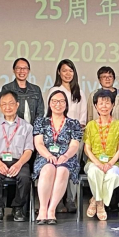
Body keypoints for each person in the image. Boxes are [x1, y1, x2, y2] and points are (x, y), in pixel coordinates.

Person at [32, 90, 84, 225]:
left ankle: (52, 210)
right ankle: (43, 209)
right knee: (48, 169)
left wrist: (65, 156)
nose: (58, 104)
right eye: (54, 101)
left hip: (67, 157)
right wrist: (48, 155)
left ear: (66, 105)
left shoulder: (74, 123)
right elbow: (38, 143)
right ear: (49, 104)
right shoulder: (41, 122)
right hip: (45, 156)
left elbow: (74, 145)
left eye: (61, 101)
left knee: (62, 171)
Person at [0, 90, 34, 222]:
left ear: (17, 105)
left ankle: (18, 208)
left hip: (19, 160)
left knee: (24, 177)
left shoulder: (26, 126)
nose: (8, 107)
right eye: (4, 104)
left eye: (11, 103)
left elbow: (28, 150)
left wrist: (19, 164)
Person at [83, 89, 119, 220]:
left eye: (107, 103)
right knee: (94, 172)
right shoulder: (90, 125)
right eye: (101, 103)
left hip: (113, 163)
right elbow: (87, 149)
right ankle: (100, 204)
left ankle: (95, 199)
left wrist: (110, 163)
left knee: (113, 177)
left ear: (113, 105)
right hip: (93, 162)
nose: (104, 106)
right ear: (95, 106)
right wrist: (98, 163)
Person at [1, 57, 44, 123]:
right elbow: (6, 111)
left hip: (33, 130)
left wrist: (35, 129)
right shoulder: (7, 88)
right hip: (14, 130)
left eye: (25, 68)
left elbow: (40, 112)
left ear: (28, 71)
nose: (22, 71)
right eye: (18, 68)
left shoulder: (36, 89)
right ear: (13, 70)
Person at [46, 59, 87, 126]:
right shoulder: (54, 90)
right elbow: (51, 112)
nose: (68, 74)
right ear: (59, 72)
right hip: (58, 129)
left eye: (70, 71)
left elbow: (83, 115)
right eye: (64, 71)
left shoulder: (80, 93)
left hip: (75, 131)